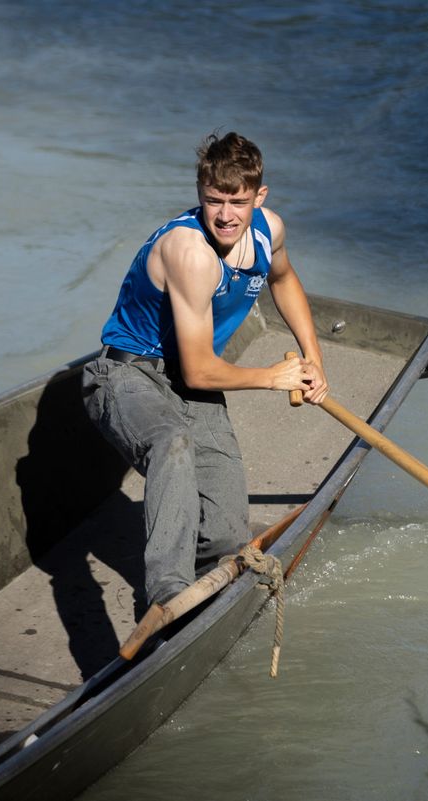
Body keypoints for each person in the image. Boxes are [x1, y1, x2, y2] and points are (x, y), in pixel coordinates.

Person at [82, 131, 328, 608]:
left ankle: (204, 585)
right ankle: (166, 594)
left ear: (260, 197)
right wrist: (271, 377)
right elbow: (199, 373)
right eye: (213, 200)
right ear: (200, 194)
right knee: (170, 442)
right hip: (128, 376)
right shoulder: (190, 252)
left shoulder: (268, 230)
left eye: (237, 201)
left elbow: (284, 278)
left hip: (189, 382)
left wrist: (313, 357)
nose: (224, 215)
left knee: (225, 536)